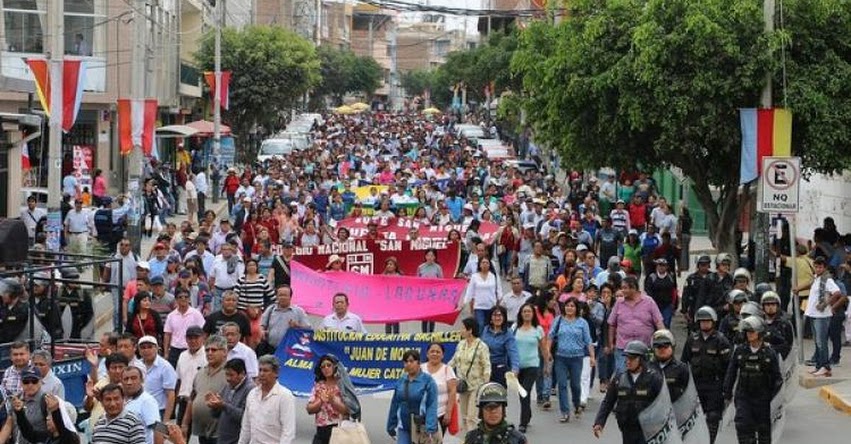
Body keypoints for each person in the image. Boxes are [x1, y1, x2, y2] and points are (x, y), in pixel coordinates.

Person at [723, 317, 782, 444]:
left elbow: (777, 379)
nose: (749, 334)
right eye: (747, 332)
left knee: (764, 431)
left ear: (760, 333)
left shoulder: (769, 353)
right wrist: (727, 393)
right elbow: (731, 373)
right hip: (744, 396)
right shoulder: (740, 351)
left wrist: (774, 400)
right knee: (742, 426)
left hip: (763, 399)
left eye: (752, 331)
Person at [593, 340, 664, 444]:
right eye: (627, 358)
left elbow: (664, 404)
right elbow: (608, 402)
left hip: (648, 431)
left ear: (642, 359)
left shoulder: (654, 378)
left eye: (632, 358)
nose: (628, 361)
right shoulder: (619, 379)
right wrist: (599, 422)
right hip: (627, 429)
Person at [680, 306, 731, 444]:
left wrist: (727, 389)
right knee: (693, 417)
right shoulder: (692, 339)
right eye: (702, 321)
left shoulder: (721, 340)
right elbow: (684, 362)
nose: (704, 324)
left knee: (713, 416)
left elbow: (728, 367)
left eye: (707, 321)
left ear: (713, 321)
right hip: (696, 384)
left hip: (714, 384)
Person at [549, 297, 595, 423]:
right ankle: (565, 412)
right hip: (561, 357)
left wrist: (592, 357)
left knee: (575, 385)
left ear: (577, 308)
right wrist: (548, 351)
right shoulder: (558, 320)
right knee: (562, 385)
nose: (569, 308)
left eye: (572, 306)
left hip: (577, 358)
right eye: (567, 305)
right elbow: (551, 336)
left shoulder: (582, 323)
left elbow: (588, 341)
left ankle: (576, 404)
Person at [607, 276, 665, 375]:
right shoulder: (619, 303)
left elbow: (659, 322)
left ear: (633, 288)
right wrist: (611, 343)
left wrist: (663, 339)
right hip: (623, 348)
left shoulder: (649, 301)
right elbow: (612, 324)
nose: (622, 291)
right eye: (622, 288)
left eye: (625, 288)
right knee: (622, 375)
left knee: (645, 375)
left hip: (644, 347)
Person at [238, 355, 296, 444]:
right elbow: (246, 426)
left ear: (276, 373)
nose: (261, 374)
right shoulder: (252, 394)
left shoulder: (285, 396)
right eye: (260, 370)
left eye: (265, 370)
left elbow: (288, 432)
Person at [182, 335, 229, 444]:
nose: (209, 353)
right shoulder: (200, 373)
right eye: (207, 350)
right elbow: (192, 399)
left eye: (214, 350)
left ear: (225, 352)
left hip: (221, 432)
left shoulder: (230, 373)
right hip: (201, 431)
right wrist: (185, 424)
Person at [386, 350, 439, 444]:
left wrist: (430, 428)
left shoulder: (428, 381)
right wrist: (391, 425)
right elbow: (395, 403)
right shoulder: (401, 380)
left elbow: (432, 405)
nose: (408, 364)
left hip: (422, 428)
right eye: (405, 362)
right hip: (403, 426)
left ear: (419, 363)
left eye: (411, 361)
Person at [449, 317, 492, 433]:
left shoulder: (482, 346)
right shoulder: (461, 344)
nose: (461, 331)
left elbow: (487, 365)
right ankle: (467, 438)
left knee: (471, 417)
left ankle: (472, 439)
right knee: (463, 416)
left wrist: (485, 385)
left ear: (470, 330)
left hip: (476, 386)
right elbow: (454, 361)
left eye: (463, 328)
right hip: (462, 385)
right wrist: (443, 370)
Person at [511, 302, 548, 433]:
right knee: (522, 394)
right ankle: (528, 414)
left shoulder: (538, 329)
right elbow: (510, 346)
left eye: (529, 312)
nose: (527, 314)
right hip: (517, 367)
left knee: (524, 392)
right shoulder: (515, 327)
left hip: (532, 365)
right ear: (521, 314)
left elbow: (544, 348)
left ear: (533, 314)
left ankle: (523, 423)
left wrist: (547, 366)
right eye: (524, 311)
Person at [306, 354, 355, 444]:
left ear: (335, 367)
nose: (326, 368)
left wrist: (333, 400)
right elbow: (309, 409)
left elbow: (348, 410)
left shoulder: (342, 386)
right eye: (323, 367)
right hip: (321, 431)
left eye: (329, 365)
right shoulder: (318, 386)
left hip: (339, 430)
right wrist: (320, 400)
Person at [463, 382, 527, 444]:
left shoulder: (517, 439)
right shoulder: (471, 438)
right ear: (481, 411)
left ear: (503, 409)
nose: (493, 412)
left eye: (496, 408)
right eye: (488, 408)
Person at [213, 358, 255, 444]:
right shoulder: (227, 386)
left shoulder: (251, 390)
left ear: (242, 374)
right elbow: (216, 414)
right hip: (222, 439)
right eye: (226, 375)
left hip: (238, 440)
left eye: (231, 375)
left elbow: (245, 416)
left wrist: (224, 405)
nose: (228, 378)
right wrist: (214, 406)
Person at [421, 342, 458, 436]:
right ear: (427, 354)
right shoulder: (420, 369)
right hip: (421, 414)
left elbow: (452, 392)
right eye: (432, 351)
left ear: (442, 355)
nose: (435, 354)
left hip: (441, 413)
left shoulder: (447, 369)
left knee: (436, 440)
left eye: (438, 352)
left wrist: (448, 413)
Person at [137, 336, 177, 421]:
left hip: (158, 411)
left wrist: (165, 420)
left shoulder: (165, 367)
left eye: (150, 347)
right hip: (139, 410)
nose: (146, 350)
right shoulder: (136, 366)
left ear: (157, 348)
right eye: (143, 348)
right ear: (139, 351)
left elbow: (170, 395)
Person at [481, 305, 521, 387]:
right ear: (491, 318)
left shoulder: (508, 333)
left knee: (499, 396)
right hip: (484, 368)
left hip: (499, 368)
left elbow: (513, 352)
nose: (497, 318)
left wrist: (515, 370)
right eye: (495, 315)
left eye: (500, 315)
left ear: (504, 318)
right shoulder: (485, 330)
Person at [120, 366, 160, 444]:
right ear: (121, 381)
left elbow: (158, 429)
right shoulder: (120, 400)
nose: (129, 382)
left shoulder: (147, 401)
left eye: (133, 378)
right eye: (126, 379)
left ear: (141, 380)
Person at [648, 329, 689, 403]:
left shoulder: (682, 369)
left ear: (672, 347)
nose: (662, 349)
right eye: (658, 346)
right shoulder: (646, 369)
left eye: (666, 346)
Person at [465, 257, 502, 332]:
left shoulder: (494, 276)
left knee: (490, 326)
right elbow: (470, 291)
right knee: (481, 326)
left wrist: (499, 301)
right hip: (479, 306)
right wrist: (466, 302)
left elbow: (499, 289)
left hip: (491, 306)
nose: (485, 264)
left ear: (489, 265)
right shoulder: (474, 276)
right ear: (480, 265)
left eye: (487, 263)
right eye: (483, 263)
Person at [761, 291, 795, 360]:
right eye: (767, 305)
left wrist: (771, 348)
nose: (770, 307)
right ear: (763, 306)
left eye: (773, 304)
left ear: (777, 306)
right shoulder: (759, 322)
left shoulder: (784, 324)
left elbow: (788, 345)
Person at [644, 258, 677, 328]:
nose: (661, 267)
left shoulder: (670, 277)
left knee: (666, 324)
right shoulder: (652, 277)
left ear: (666, 267)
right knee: (655, 324)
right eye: (659, 265)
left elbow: (674, 291)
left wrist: (674, 304)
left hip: (667, 305)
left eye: (663, 265)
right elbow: (648, 291)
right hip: (655, 305)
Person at [418, 248, 444, 333]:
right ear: (425, 256)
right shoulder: (420, 267)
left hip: (434, 296)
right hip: (423, 296)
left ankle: (431, 333)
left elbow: (442, 282)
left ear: (435, 257)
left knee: (432, 317)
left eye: (432, 255)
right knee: (424, 317)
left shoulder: (438, 268)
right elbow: (416, 282)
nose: (430, 257)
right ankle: (424, 334)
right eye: (428, 255)